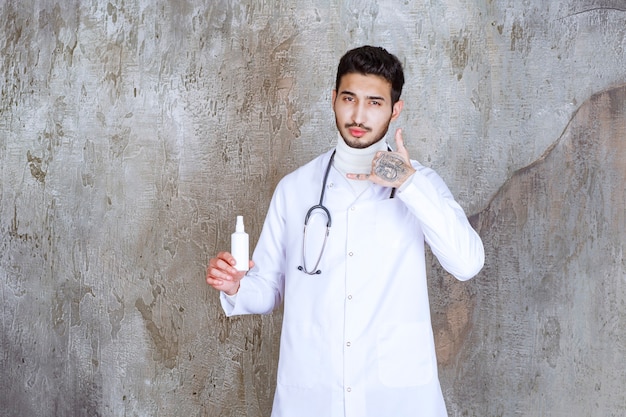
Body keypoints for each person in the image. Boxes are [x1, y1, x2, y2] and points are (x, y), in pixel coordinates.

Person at [206, 45, 484, 417]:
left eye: (374, 102)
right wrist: (236, 285)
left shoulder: (421, 185)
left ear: (394, 110)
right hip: (313, 397)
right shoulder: (296, 189)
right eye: (349, 99)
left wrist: (408, 184)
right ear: (334, 99)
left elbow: (467, 263)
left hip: (397, 400)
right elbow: (269, 289)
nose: (358, 115)